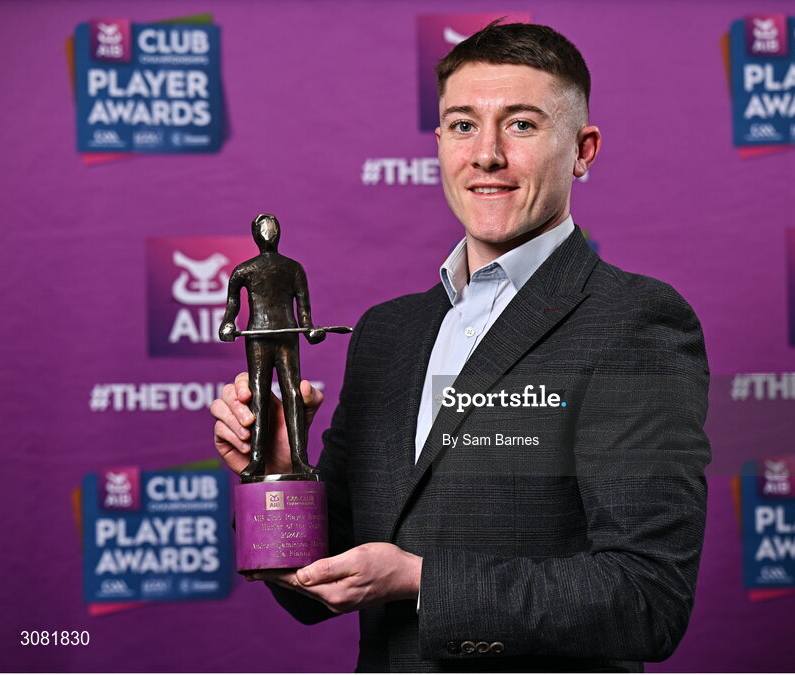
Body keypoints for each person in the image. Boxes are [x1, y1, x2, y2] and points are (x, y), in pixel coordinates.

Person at [211, 22, 710, 672]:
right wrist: (277, 468)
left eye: (523, 125)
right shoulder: (388, 334)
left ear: (583, 149)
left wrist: (419, 579)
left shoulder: (632, 320)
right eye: (463, 125)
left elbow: (646, 600)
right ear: (440, 142)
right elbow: (318, 585)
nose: (487, 154)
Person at [218, 213, 324, 480]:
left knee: (293, 394)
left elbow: (303, 307)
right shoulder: (245, 270)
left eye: (272, 228)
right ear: (255, 235)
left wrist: (309, 328)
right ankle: (257, 460)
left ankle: (299, 459)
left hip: (288, 336)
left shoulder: (293, 268)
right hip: (258, 338)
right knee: (258, 394)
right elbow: (232, 306)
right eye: (264, 229)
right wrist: (227, 325)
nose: (268, 234)